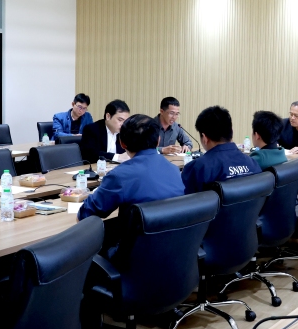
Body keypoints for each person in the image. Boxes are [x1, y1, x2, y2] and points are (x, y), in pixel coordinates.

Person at [78, 115, 185, 254]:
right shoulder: (174, 170)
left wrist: (91, 195)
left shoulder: (120, 175)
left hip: (133, 260)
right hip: (175, 253)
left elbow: (87, 213)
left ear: (122, 144)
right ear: (158, 140)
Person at [181, 106, 261, 194]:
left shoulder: (197, 168)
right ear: (231, 132)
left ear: (204, 138)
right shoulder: (253, 164)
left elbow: (187, 200)